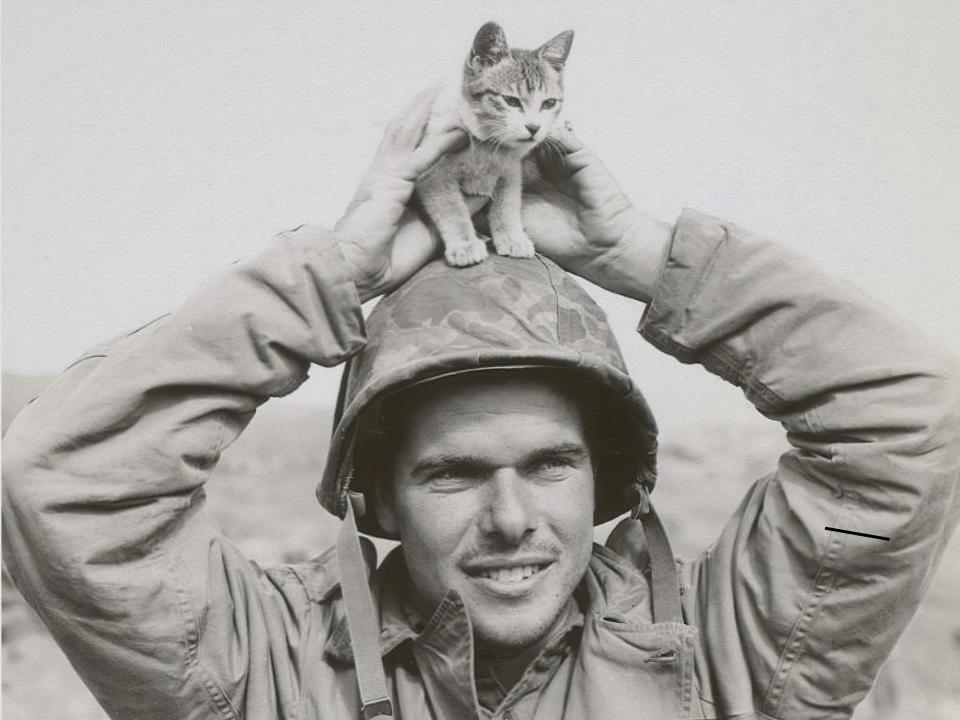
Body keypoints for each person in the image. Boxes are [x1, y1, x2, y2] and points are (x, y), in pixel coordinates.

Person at [3, 87, 958, 720]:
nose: (513, 521)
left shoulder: (729, 651)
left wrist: (631, 250)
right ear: (374, 498)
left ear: (605, 480)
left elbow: (910, 413)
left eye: (551, 464)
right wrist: (334, 273)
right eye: (453, 473)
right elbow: (67, 482)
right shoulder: (271, 667)